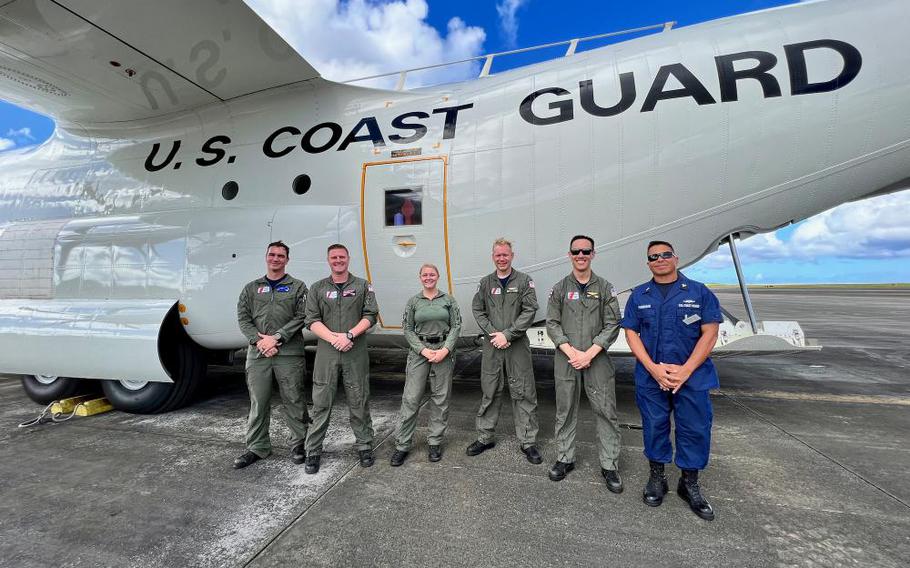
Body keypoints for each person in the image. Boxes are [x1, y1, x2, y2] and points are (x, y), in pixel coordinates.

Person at [621, 240, 721, 521]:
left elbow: (710, 333)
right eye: (654, 257)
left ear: (676, 258)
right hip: (653, 377)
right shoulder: (640, 294)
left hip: (692, 377)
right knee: (654, 426)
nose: (660, 259)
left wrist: (686, 370)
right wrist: (653, 368)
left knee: (695, 429)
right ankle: (658, 478)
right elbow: (631, 333)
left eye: (665, 255)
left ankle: (689, 484)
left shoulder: (699, 292)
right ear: (648, 263)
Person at [545, 235, 623, 491]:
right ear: (569, 255)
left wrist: (589, 354)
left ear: (593, 254)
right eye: (576, 251)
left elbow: (613, 324)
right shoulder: (558, 289)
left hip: (596, 359)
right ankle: (565, 458)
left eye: (585, 251)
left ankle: (609, 465)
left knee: (605, 411)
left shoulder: (604, 288)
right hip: (566, 358)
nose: (581, 255)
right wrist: (572, 353)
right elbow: (552, 324)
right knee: (565, 410)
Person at [303, 244, 379, 474]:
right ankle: (313, 451)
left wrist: (349, 335)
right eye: (334, 257)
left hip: (354, 350)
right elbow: (311, 319)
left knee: (359, 399)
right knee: (321, 402)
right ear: (328, 260)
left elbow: (371, 315)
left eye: (342, 257)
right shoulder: (317, 288)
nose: (338, 260)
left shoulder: (362, 286)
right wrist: (334, 339)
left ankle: (365, 446)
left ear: (348, 259)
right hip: (327, 352)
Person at [233, 241, 310, 469]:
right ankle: (257, 447)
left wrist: (276, 337)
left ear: (287, 260)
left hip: (289, 353)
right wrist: (260, 341)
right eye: (272, 255)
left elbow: (302, 316)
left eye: (281, 256)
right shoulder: (251, 288)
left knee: (294, 400)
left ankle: (299, 444)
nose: (276, 259)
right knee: (258, 401)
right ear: (266, 257)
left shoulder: (298, 287)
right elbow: (243, 319)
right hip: (258, 355)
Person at [466, 238, 542, 464]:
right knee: (490, 390)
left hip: (516, 345)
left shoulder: (524, 281)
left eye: (505, 255)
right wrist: (493, 334)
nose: (502, 258)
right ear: (493, 257)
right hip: (492, 346)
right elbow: (477, 310)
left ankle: (528, 442)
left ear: (512, 256)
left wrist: (507, 335)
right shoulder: (485, 283)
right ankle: (485, 436)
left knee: (524, 392)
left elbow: (530, 310)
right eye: (498, 255)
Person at [390, 264, 462, 465]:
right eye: (425, 275)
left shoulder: (448, 300)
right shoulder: (414, 302)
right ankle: (402, 445)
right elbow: (408, 328)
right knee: (411, 398)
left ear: (438, 277)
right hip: (419, 351)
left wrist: (445, 350)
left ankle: (435, 442)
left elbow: (456, 326)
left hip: (443, 351)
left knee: (440, 399)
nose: (428, 277)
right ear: (420, 277)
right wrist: (422, 350)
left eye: (432, 274)